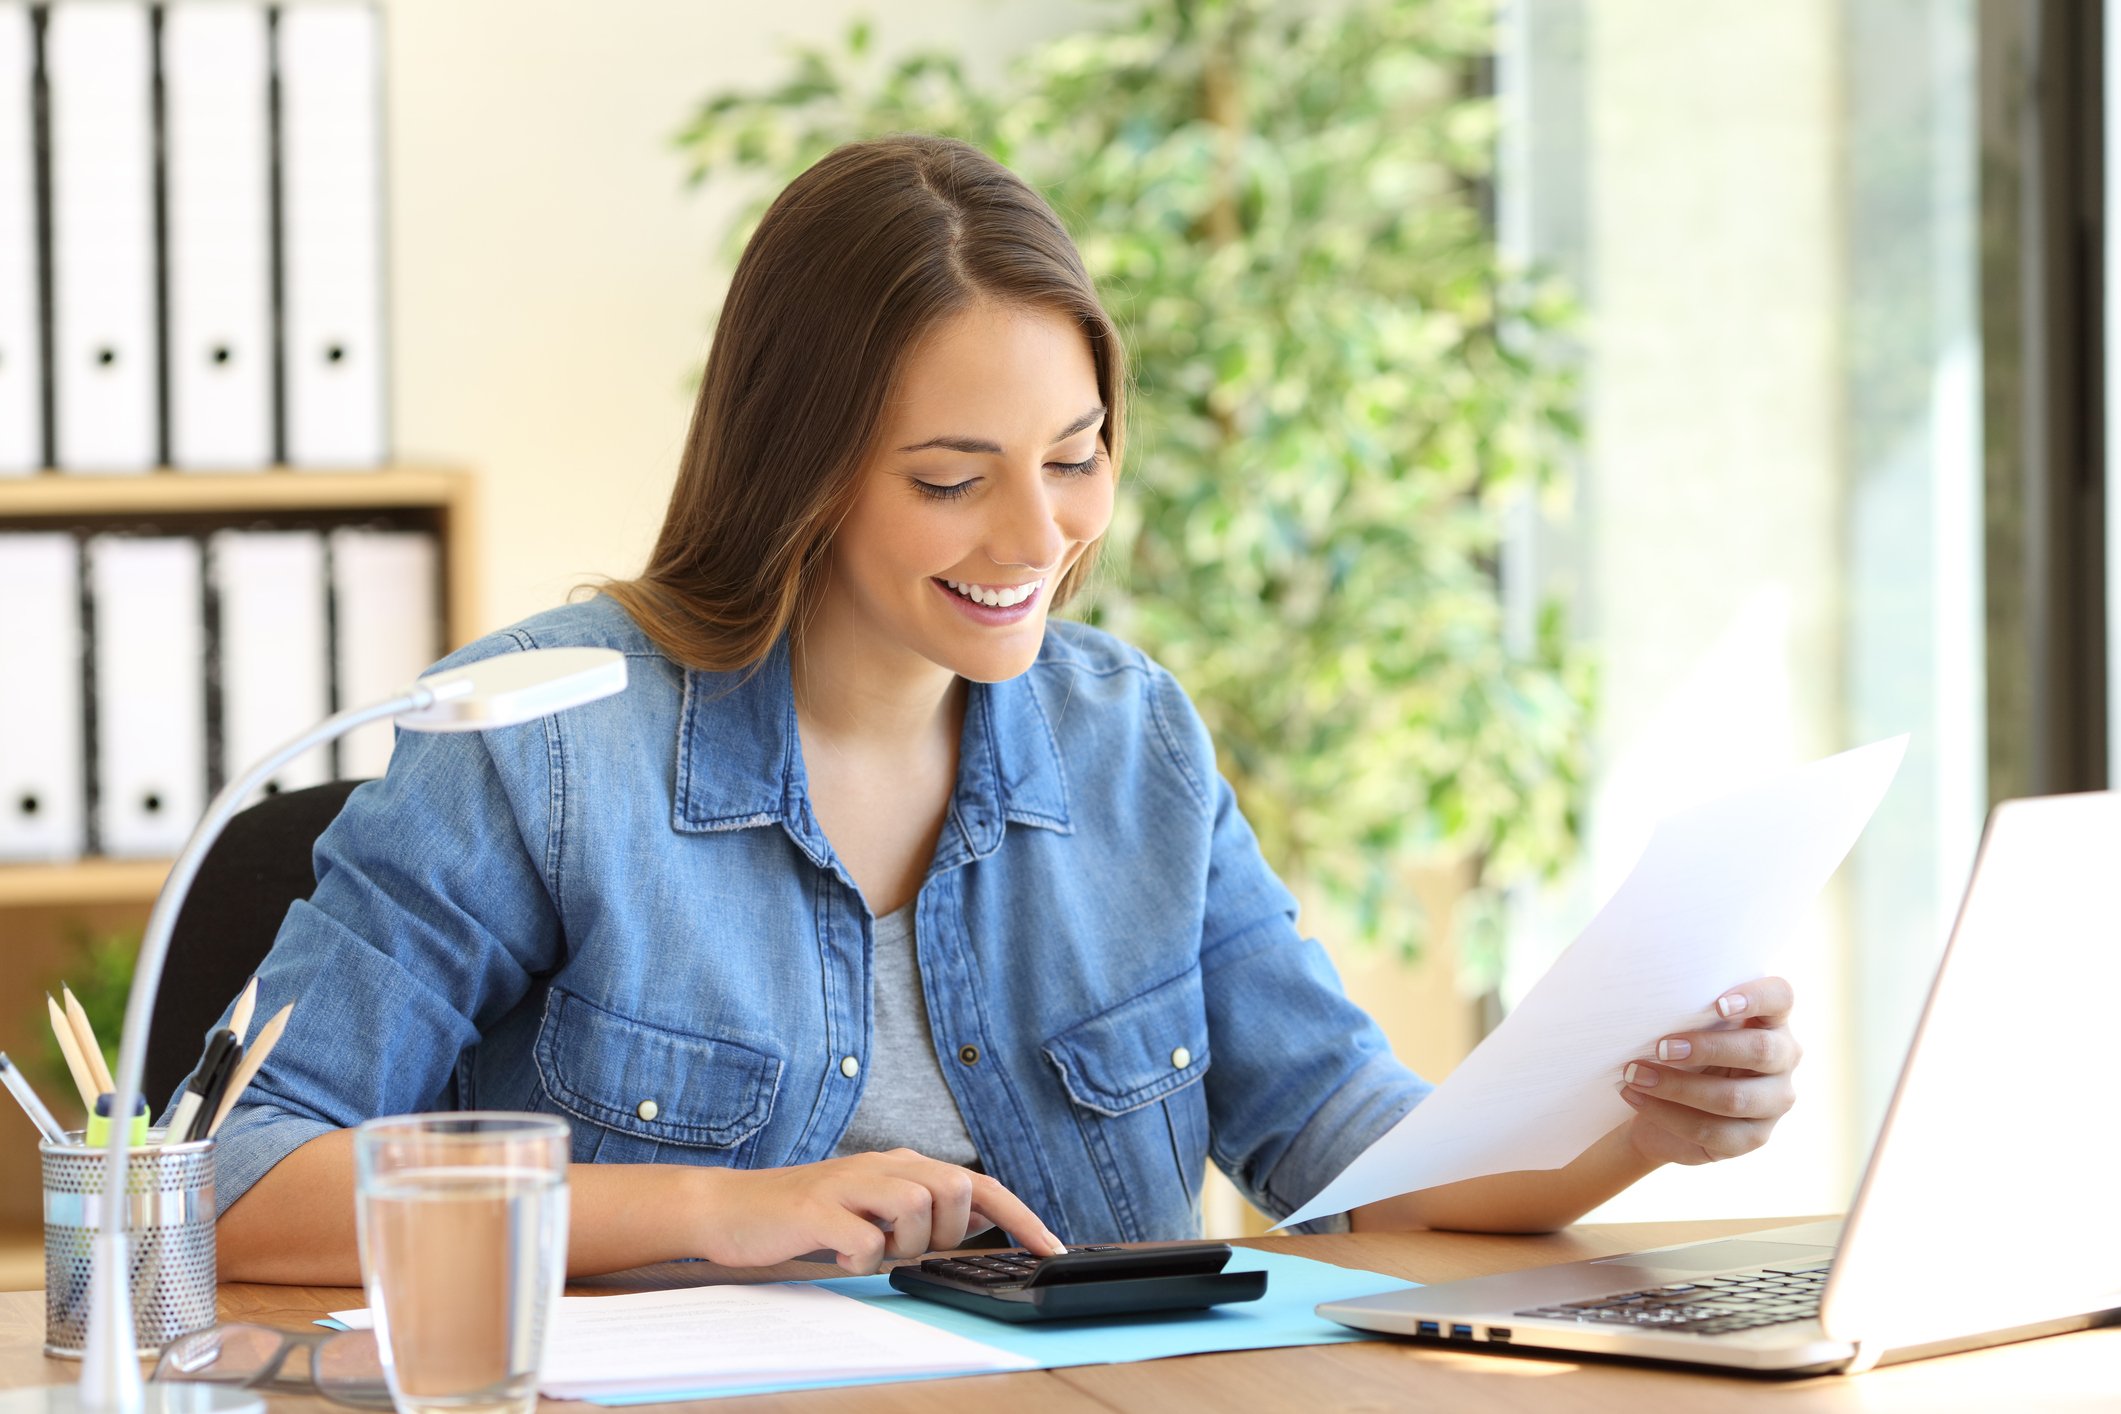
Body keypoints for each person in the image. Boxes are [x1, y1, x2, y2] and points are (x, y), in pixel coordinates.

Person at [204, 135, 1800, 1285]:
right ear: (800, 467)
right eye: (951, 479)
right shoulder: (548, 740)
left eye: (1074, 457)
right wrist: (712, 1206)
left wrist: (1635, 1128)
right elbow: (240, 1177)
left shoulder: (1130, 741)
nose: (1038, 542)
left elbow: (1348, 1162)